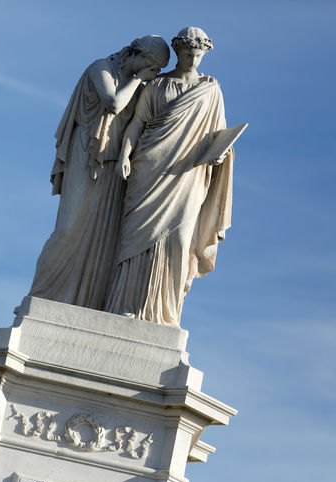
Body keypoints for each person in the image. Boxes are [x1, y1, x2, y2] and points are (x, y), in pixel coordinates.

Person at [28, 36, 170, 308]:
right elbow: (113, 103)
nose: (153, 75)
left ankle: (83, 302)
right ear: (137, 54)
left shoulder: (139, 86)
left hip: (114, 163)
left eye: (157, 70)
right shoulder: (101, 68)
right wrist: (139, 79)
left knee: (101, 241)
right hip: (86, 154)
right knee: (68, 230)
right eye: (152, 66)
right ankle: (41, 295)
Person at [105, 27, 234, 326]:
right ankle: (124, 304)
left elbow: (220, 135)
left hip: (188, 175)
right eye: (187, 52)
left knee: (178, 239)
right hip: (148, 168)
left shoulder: (211, 90)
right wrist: (124, 154)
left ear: (204, 54)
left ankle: (165, 314)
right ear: (177, 52)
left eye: (197, 54)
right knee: (135, 239)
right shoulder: (157, 85)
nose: (192, 58)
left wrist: (220, 154)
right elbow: (137, 124)